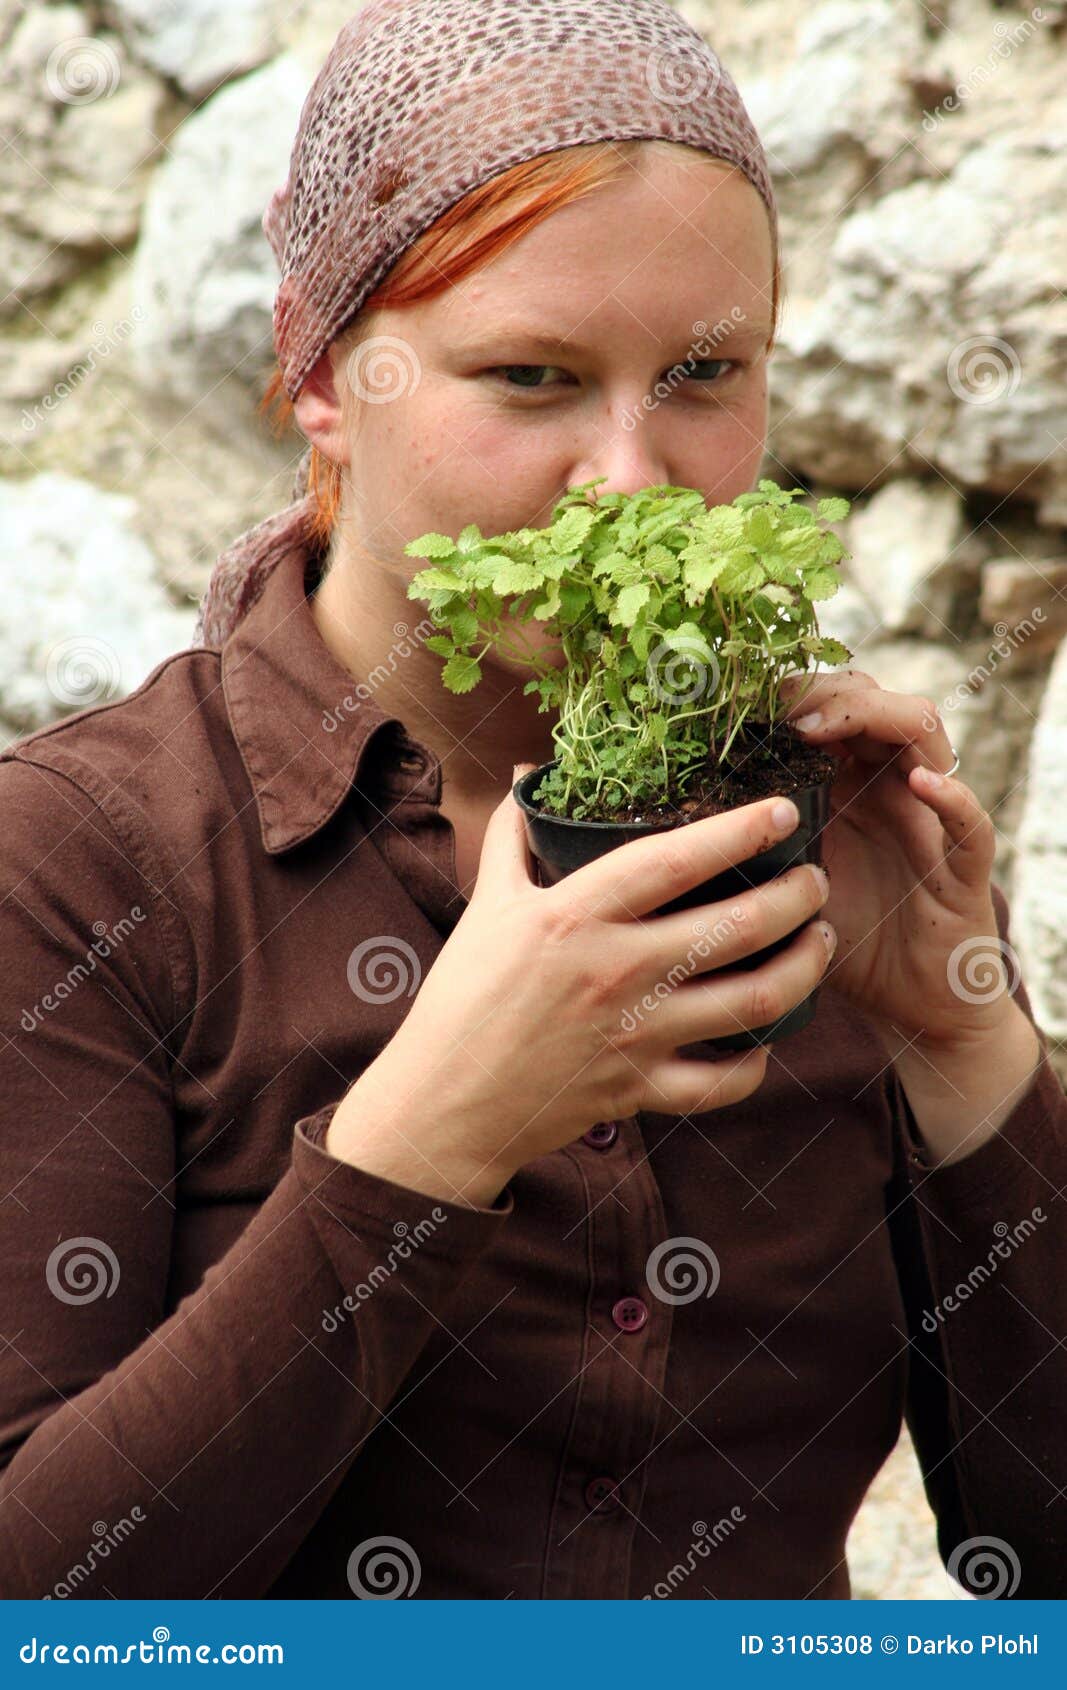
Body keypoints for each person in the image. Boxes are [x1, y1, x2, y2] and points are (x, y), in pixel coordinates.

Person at [1, 0, 1064, 1602]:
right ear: (322, 372)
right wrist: (435, 1131)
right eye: (531, 376)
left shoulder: (829, 836)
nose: (633, 478)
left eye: (707, 372)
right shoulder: (88, 859)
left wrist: (973, 1054)